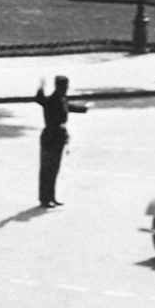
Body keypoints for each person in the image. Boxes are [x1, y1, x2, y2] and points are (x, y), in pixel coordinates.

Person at [34, 75, 87, 208]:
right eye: (65, 86)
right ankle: (45, 199)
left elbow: (68, 107)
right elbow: (39, 99)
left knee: (54, 168)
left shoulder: (60, 99)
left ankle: (51, 197)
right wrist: (40, 87)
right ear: (60, 87)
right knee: (47, 169)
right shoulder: (52, 100)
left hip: (58, 136)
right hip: (51, 136)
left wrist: (84, 109)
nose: (67, 89)